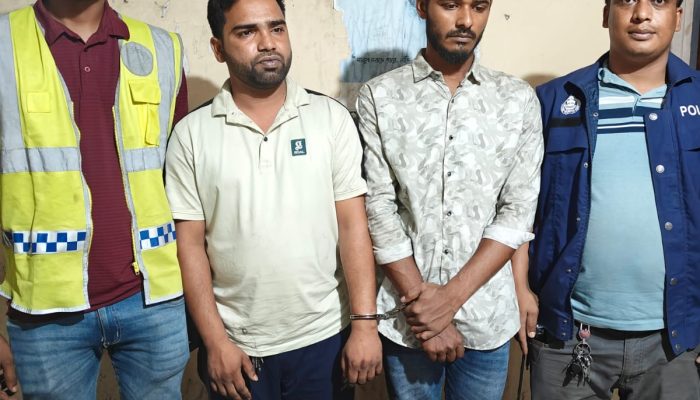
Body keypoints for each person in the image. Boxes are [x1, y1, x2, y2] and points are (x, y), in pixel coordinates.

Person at [164, 0, 382, 399]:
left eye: (276, 28)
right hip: (237, 348)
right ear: (218, 48)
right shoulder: (191, 135)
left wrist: (365, 325)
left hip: (324, 339)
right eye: (247, 32)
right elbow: (189, 245)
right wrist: (215, 342)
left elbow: (353, 226)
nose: (267, 42)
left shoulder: (330, 118)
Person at [0, 0, 190, 399]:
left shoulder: (162, 48)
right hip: (44, 311)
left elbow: (186, 188)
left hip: (155, 299)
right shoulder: (5, 44)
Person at [355, 0, 544, 398]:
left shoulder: (518, 99)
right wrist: (428, 316)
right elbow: (378, 208)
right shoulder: (379, 96)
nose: (466, 20)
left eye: (479, 6)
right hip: (409, 320)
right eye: (451, 4)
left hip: (487, 316)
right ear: (422, 7)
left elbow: (517, 211)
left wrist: (448, 301)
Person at [528, 0, 700, 399]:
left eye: (659, 1)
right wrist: (522, 290)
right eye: (626, 0)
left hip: (675, 342)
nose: (641, 13)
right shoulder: (554, 100)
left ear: (678, 17)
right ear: (606, 14)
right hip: (567, 335)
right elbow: (519, 208)